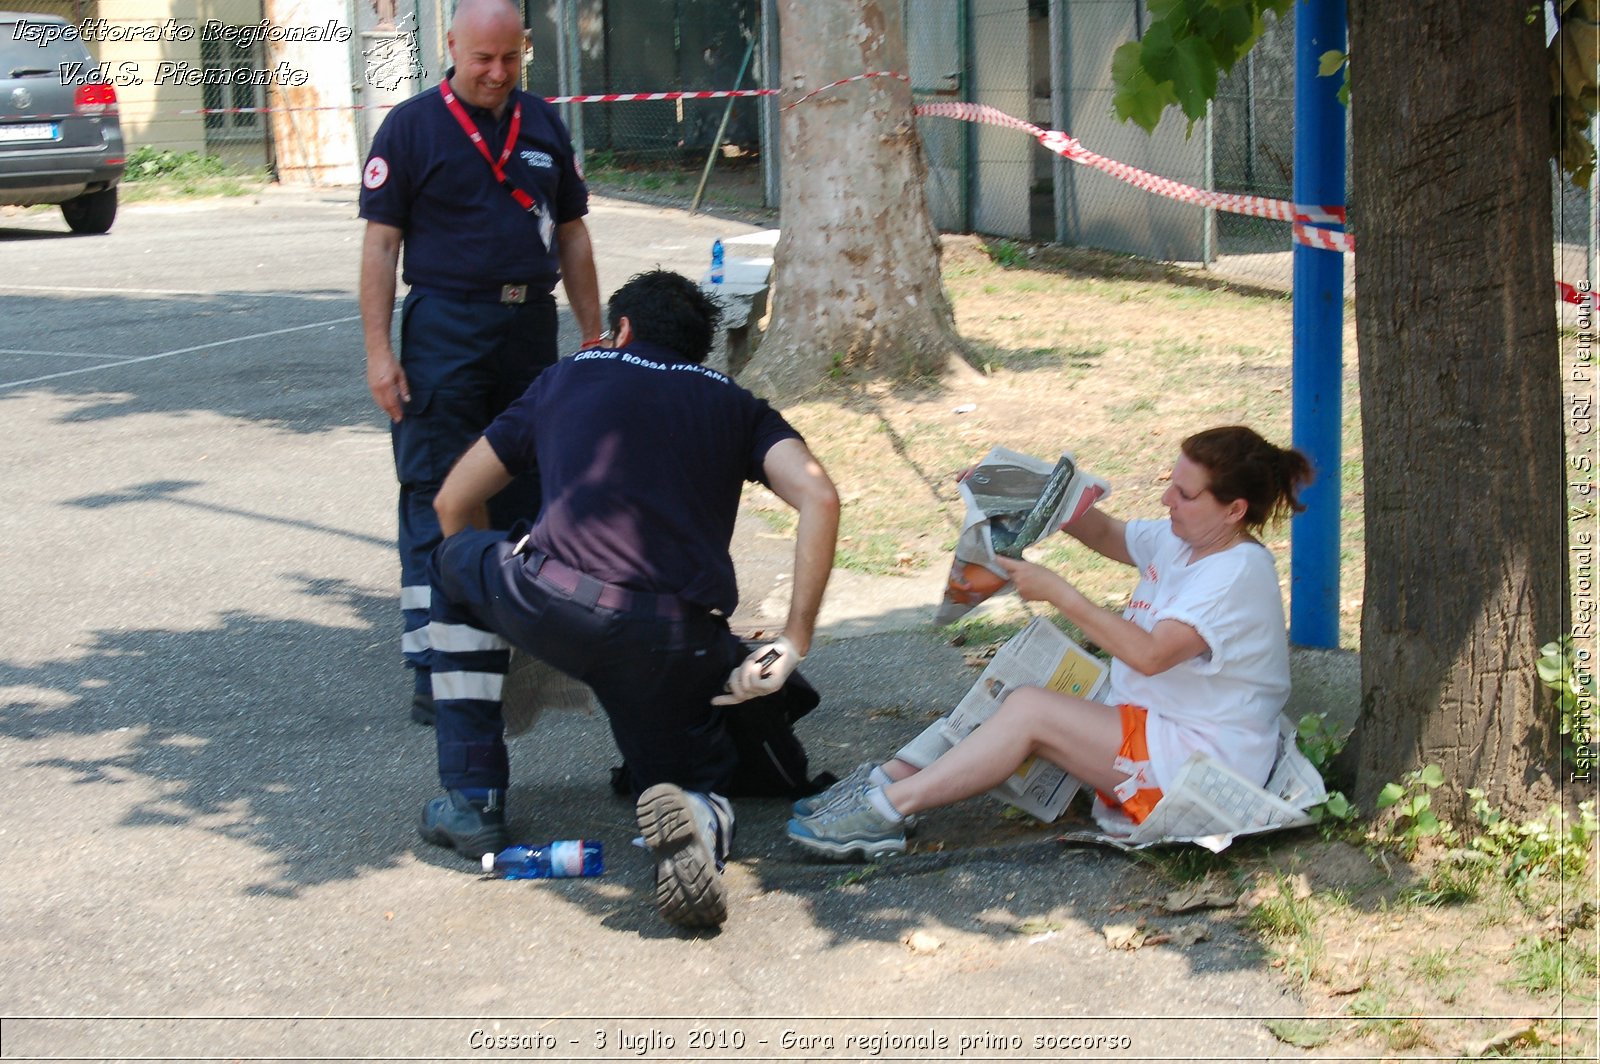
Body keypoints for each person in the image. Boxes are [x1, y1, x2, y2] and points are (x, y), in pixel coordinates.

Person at [416, 270, 841, 929]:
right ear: (698, 349)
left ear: (622, 331)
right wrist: (794, 638)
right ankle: (699, 818)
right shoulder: (735, 403)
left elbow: (453, 500)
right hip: (674, 636)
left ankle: (473, 797)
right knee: (681, 778)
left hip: (552, 601)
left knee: (451, 564)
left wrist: (499, 607)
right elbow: (821, 495)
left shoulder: (568, 376)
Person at [787, 426, 1313, 859]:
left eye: (1185, 494)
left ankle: (885, 812)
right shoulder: (1184, 538)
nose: (1166, 499)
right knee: (1019, 687)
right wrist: (1017, 488)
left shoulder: (1237, 572)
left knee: (1032, 710)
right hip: (1154, 728)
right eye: (1171, 483)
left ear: (1235, 510)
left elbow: (1151, 656)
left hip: (1196, 765)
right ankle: (882, 781)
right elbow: (1108, 535)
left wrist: (1062, 594)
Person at [358, 0, 603, 726]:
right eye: (481, 60)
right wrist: (379, 355)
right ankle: (437, 662)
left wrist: (592, 337)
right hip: (445, 326)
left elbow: (573, 235)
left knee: (526, 487)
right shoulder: (409, 127)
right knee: (438, 490)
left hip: (527, 323)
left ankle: (513, 645)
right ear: (452, 47)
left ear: (523, 50)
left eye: (510, 60)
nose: (497, 74)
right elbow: (379, 248)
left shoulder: (543, 122)